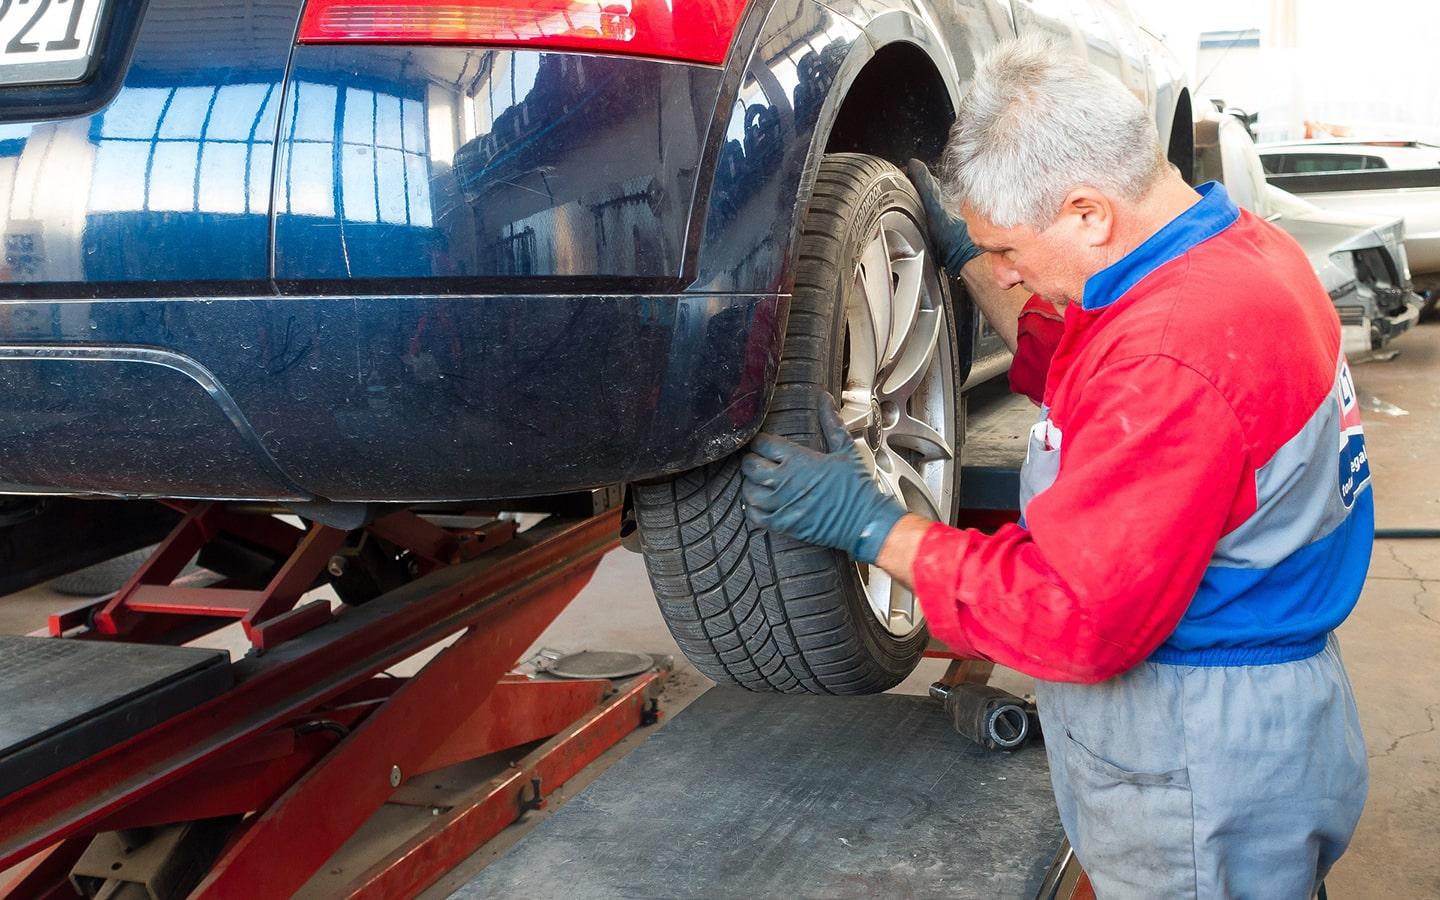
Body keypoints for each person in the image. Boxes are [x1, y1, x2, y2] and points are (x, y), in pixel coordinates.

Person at [740, 38, 1369, 898]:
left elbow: (1074, 616)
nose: (1006, 272)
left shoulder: (1173, 356)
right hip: (1261, 719)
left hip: (1200, 751)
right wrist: (966, 257)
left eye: (1007, 247)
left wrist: (876, 529)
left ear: (1086, 212)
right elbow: (1080, 361)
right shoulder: (1237, 254)